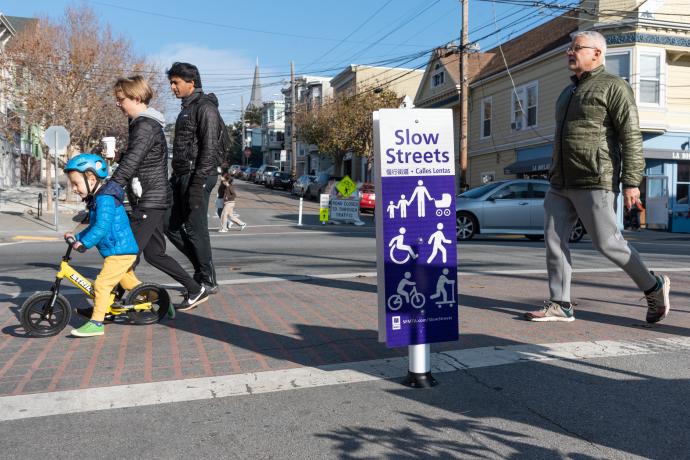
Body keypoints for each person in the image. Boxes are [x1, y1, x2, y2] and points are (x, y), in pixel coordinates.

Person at [525, 31, 670, 324]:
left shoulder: (614, 87)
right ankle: (560, 303)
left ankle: (654, 287)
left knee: (608, 243)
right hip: (560, 182)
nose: (570, 52)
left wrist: (631, 182)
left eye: (577, 48)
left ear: (597, 54)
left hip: (595, 177)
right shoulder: (567, 93)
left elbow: (631, 136)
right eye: (569, 48)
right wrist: (554, 170)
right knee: (554, 241)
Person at [108, 75, 208, 311]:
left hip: (150, 200)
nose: (118, 104)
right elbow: (141, 159)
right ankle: (196, 289)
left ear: (136, 97)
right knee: (154, 254)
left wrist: (112, 186)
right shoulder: (143, 125)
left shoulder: (144, 125)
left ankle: (107, 302)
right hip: (153, 197)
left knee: (125, 253)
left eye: (121, 99)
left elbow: (134, 161)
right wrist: (121, 161)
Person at [63, 154, 140, 337]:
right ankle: (161, 300)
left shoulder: (105, 200)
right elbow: (93, 226)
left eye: (76, 184)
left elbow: (101, 227)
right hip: (117, 250)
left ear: (91, 179)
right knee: (131, 283)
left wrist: (85, 243)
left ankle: (97, 322)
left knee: (102, 284)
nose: (74, 189)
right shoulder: (98, 199)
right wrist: (77, 236)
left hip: (120, 251)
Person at [165, 62, 222, 294]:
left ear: (191, 83)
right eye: (171, 82)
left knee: (196, 228)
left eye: (176, 82)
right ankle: (201, 270)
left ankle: (208, 280)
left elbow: (209, 149)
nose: (172, 87)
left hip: (198, 174)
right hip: (181, 175)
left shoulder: (205, 107)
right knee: (168, 223)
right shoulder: (186, 108)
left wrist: (197, 184)